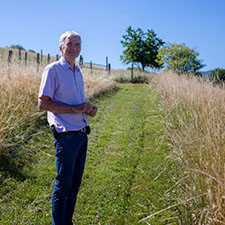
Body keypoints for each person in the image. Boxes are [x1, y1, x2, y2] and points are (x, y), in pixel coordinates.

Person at [38, 31, 97, 225]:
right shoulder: (53, 70)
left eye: (77, 44)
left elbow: (76, 102)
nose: (74, 48)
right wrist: (74, 108)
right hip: (65, 136)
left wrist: (87, 108)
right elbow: (43, 104)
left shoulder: (77, 71)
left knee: (74, 186)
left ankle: (67, 222)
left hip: (81, 134)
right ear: (61, 47)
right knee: (63, 185)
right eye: (70, 44)